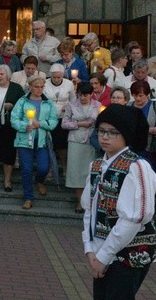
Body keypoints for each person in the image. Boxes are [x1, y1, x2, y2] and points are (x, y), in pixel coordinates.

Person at [81, 104, 156, 300]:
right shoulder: (97, 164)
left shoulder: (137, 167)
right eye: (101, 131)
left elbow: (135, 217)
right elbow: (88, 210)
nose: (105, 137)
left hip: (130, 256)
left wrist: (104, 255)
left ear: (126, 135)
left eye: (113, 133)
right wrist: (90, 250)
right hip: (102, 253)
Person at [11, 75, 58, 209]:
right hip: (25, 141)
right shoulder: (22, 101)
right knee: (26, 169)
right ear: (30, 87)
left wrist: (41, 123)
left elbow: (54, 121)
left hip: (42, 141)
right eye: (36, 87)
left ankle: (39, 181)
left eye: (41, 87)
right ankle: (28, 197)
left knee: (43, 167)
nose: (39, 89)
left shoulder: (48, 102)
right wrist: (24, 126)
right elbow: (14, 119)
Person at [62, 83, 100, 212]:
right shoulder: (71, 105)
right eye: (80, 95)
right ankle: (79, 202)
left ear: (91, 94)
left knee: (89, 172)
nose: (82, 98)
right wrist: (79, 124)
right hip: (76, 141)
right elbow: (64, 124)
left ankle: (89, 202)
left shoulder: (98, 105)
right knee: (77, 172)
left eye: (85, 95)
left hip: (91, 141)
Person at [129, 80, 156, 176]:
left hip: (148, 147)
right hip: (131, 146)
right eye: (135, 95)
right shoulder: (129, 106)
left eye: (141, 95)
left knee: (149, 172)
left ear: (147, 94)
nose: (137, 98)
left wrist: (145, 129)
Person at [45, 63, 76, 175]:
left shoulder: (69, 84)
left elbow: (73, 99)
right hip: (48, 118)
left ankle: (64, 167)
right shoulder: (45, 83)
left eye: (59, 77)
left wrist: (68, 107)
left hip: (63, 118)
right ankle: (49, 168)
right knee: (49, 144)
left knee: (62, 146)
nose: (57, 79)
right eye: (54, 77)